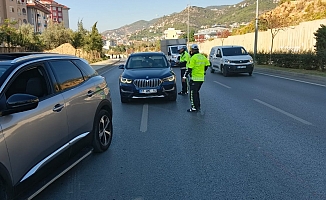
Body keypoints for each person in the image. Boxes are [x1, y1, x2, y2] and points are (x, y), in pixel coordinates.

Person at [182, 44, 210, 112]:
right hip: (201, 79)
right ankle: (198, 105)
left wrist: (184, 76)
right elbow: (207, 65)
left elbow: (189, 68)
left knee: (192, 93)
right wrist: (203, 71)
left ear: (192, 50)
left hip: (194, 78)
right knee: (196, 92)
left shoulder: (193, 58)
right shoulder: (203, 57)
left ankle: (194, 107)